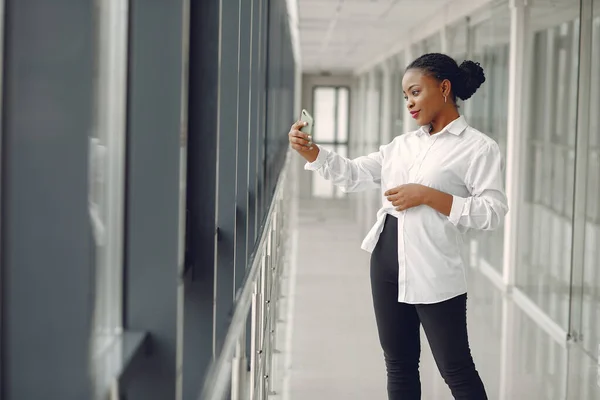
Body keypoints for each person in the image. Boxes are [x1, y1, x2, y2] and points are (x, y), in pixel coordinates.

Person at [287, 53, 508, 400]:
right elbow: (354, 174)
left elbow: (492, 212)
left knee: (457, 370)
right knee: (399, 364)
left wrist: (428, 195)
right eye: (405, 96)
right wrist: (313, 152)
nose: (409, 103)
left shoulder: (478, 148)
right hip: (386, 263)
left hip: (434, 269)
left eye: (415, 92)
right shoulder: (402, 145)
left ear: (445, 88)